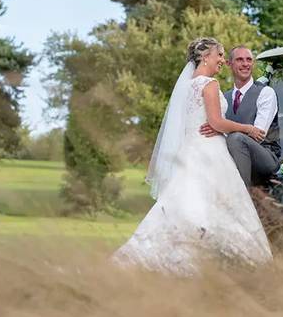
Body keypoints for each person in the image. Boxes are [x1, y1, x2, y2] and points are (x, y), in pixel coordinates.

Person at [111, 37, 272, 276]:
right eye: (219, 55)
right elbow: (216, 121)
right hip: (209, 151)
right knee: (219, 203)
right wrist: (246, 128)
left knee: (185, 201)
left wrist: (216, 125)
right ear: (206, 56)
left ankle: (159, 254)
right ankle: (227, 262)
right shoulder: (210, 84)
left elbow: (201, 122)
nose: (221, 60)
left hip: (190, 150)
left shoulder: (186, 86)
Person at [199, 45, 281, 187]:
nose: (245, 64)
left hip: (265, 157)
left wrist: (220, 129)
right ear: (229, 64)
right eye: (240, 60)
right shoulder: (223, 98)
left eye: (249, 60)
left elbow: (258, 135)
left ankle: (243, 195)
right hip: (234, 155)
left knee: (236, 138)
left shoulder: (266, 93)